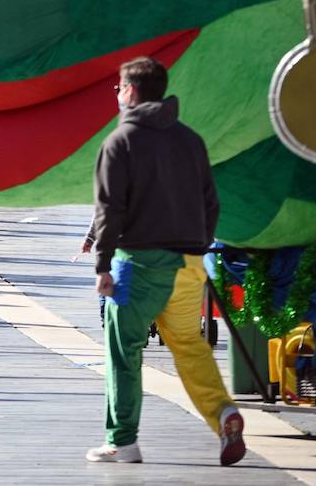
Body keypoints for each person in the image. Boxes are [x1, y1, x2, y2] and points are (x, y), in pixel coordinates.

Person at [87, 57, 245, 466]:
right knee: (190, 346)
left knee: (124, 351)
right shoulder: (190, 139)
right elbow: (211, 202)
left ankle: (122, 441)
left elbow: (110, 209)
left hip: (136, 264)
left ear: (132, 92)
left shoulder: (119, 142)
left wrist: (102, 265)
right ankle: (223, 413)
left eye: (119, 88)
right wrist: (197, 245)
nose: (118, 95)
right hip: (188, 263)